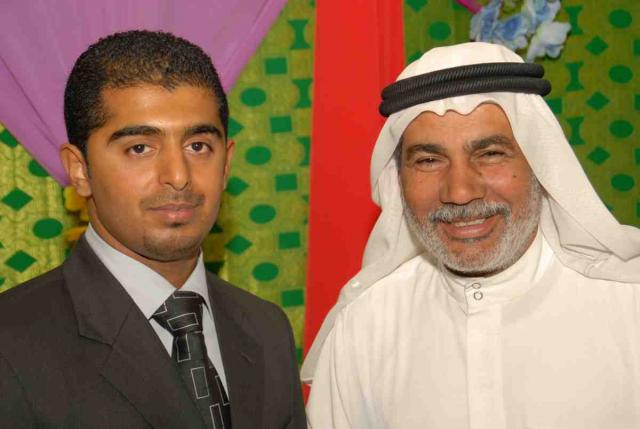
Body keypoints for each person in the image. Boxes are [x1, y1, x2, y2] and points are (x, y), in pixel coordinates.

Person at [303, 42, 640, 429]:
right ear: (398, 180)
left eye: (490, 154)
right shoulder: (363, 329)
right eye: (429, 160)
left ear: (540, 162)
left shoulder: (630, 307)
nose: (460, 192)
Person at [0, 30, 305, 429]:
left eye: (198, 146)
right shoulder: (12, 344)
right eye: (140, 148)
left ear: (226, 163)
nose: (178, 175)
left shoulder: (266, 329)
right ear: (80, 170)